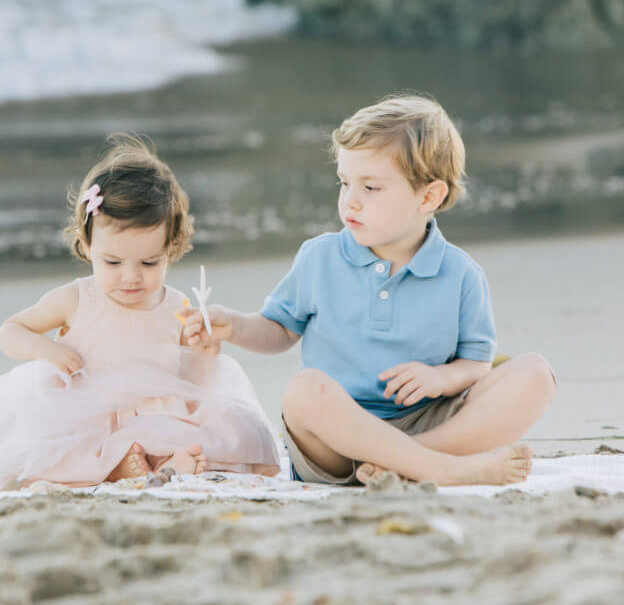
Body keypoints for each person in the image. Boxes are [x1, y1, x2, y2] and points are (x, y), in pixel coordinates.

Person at [182, 94, 556, 487]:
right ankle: (436, 468)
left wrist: (440, 379)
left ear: (429, 196)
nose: (351, 201)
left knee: (536, 375)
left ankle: (404, 462)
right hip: (336, 442)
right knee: (303, 391)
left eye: (371, 187)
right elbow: (278, 330)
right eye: (345, 183)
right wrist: (233, 326)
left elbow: (476, 363)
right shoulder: (320, 257)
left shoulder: (461, 274)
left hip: (426, 423)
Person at [0, 134, 280, 488]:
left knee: (235, 422)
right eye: (113, 262)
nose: (131, 277)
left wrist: (206, 351)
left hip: (156, 416)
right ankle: (118, 465)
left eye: (150, 263)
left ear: (171, 248)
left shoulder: (177, 306)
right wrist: (46, 350)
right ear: (86, 244)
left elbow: (192, 381)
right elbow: (11, 330)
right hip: (86, 416)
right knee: (39, 434)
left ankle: (162, 465)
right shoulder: (75, 299)